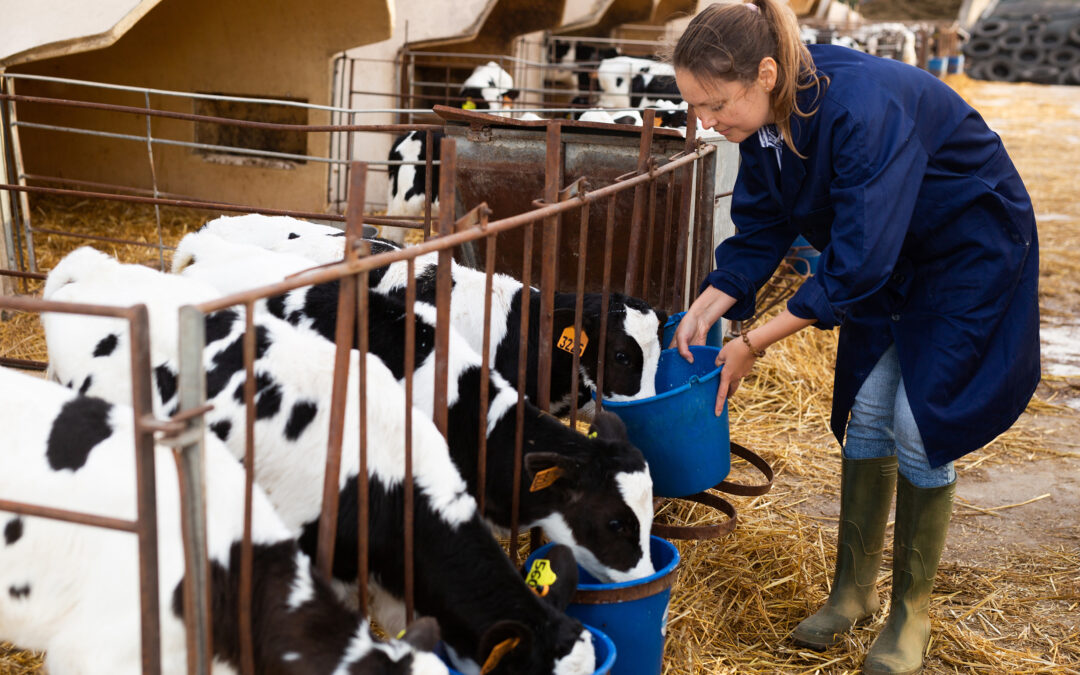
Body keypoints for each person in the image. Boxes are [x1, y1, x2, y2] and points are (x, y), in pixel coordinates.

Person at [669, 2, 1040, 673]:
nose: (705, 121)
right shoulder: (765, 123)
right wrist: (710, 300)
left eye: (714, 103)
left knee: (918, 420)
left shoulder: (860, 108)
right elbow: (760, 224)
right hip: (887, 256)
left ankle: (910, 612)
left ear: (766, 73)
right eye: (694, 105)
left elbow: (857, 262)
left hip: (964, 252)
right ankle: (852, 592)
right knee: (867, 412)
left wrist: (752, 342)